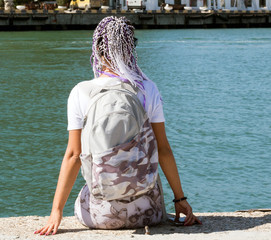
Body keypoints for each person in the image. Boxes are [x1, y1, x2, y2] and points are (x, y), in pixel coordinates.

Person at [35, 16, 201, 236]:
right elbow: (163, 150)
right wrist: (180, 200)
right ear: (131, 49)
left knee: (87, 188)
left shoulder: (81, 92)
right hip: (149, 213)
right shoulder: (148, 89)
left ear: (97, 49)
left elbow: (74, 155)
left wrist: (56, 212)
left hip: (101, 216)